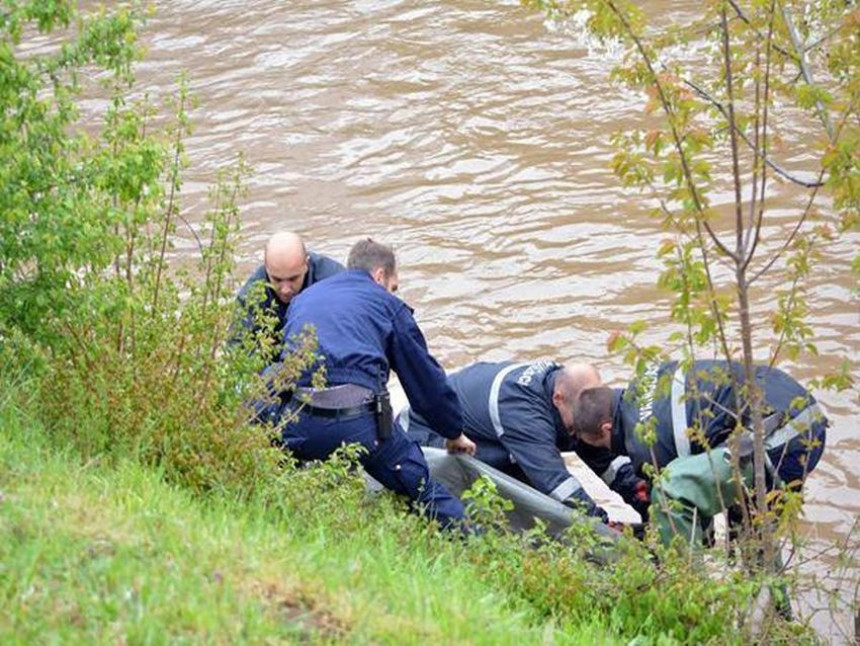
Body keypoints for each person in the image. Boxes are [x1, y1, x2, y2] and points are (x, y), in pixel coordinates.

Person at [263, 238, 476, 529]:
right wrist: (453, 432)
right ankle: (483, 551)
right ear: (379, 276)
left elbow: (283, 372)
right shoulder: (388, 305)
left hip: (300, 424)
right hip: (362, 427)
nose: (393, 293)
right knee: (424, 492)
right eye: (393, 286)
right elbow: (426, 384)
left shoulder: (303, 300)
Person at [571, 359, 828, 546]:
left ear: (606, 429)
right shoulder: (645, 380)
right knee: (748, 525)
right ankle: (770, 608)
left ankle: (691, 592)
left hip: (783, 438)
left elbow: (685, 510)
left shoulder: (643, 444)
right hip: (804, 411)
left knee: (751, 533)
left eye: (599, 444)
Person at [395, 360, 614, 522]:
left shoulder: (565, 392)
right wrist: (602, 525)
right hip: (423, 438)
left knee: (534, 496)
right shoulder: (524, 411)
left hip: (479, 435)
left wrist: (638, 496)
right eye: (575, 423)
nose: (577, 429)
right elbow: (554, 481)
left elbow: (596, 450)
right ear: (557, 399)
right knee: (517, 501)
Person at [233, 232, 344, 363]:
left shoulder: (335, 281)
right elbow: (237, 351)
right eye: (277, 280)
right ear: (266, 268)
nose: (285, 290)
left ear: (306, 265)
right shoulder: (251, 297)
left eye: (293, 279)